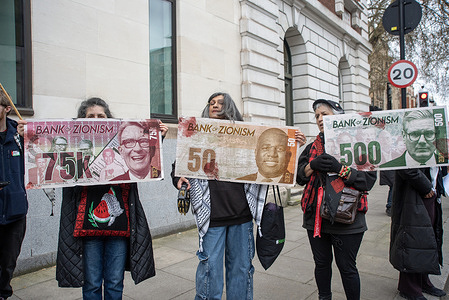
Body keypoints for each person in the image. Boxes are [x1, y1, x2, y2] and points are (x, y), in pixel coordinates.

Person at [171, 92, 305, 300]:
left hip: (241, 218)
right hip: (212, 218)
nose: (215, 106)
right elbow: (179, 166)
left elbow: (275, 162)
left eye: (221, 103)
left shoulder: (248, 135)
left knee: (240, 272)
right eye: (212, 103)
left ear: (230, 107)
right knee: (209, 271)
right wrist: (177, 178)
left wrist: (294, 145)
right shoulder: (196, 133)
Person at [56, 97, 167, 299]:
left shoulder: (123, 146)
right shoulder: (75, 147)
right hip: (88, 228)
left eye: (101, 116)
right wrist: (26, 138)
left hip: (120, 225)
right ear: (82, 119)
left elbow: (146, 162)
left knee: (115, 283)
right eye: (91, 116)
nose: (96, 119)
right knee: (91, 284)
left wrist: (158, 139)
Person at [296, 99, 376, 300]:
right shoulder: (311, 147)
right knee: (321, 264)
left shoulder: (357, 143)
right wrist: (313, 164)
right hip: (316, 217)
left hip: (348, 218)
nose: (320, 119)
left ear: (338, 118)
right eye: (317, 116)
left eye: (325, 114)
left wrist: (339, 168)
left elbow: (367, 181)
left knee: (347, 267)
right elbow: (299, 177)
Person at [389, 166, 446, 300]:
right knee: (413, 239)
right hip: (414, 194)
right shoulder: (410, 144)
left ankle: (422, 281)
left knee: (426, 239)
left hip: (429, 191)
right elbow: (405, 167)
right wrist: (425, 186)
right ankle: (409, 287)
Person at [0, 89, 28, 300]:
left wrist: (30, 137)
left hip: (15, 212)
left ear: (7, 109)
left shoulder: (20, 136)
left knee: (8, 264)